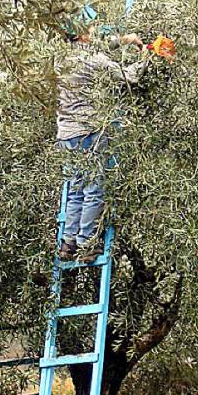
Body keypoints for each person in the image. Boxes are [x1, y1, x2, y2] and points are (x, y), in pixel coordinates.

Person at [55, 16, 148, 263]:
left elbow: (100, 48)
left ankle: (68, 244)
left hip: (65, 134)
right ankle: (87, 244)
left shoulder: (61, 58)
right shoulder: (92, 59)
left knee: (75, 190)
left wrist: (126, 40)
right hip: (88, 132)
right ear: (84, 34)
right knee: (94, 188)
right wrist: (147, 58)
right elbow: (129, 77)